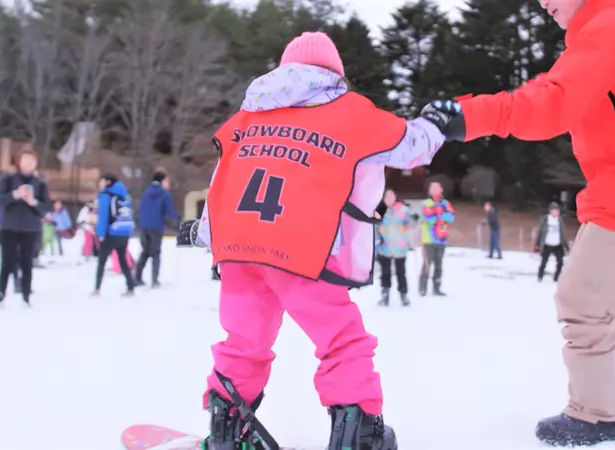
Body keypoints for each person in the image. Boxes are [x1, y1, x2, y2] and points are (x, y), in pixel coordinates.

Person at [424, 0, 615, 442]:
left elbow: (552, 102)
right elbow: (557, 90)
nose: (543, 3)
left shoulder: (611, 27)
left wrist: (470, 115)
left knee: (581, 302)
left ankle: (598, 412)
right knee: (599, 300)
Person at [175, 31, 453, 450]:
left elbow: (222, 186)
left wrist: (203, 234)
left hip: (239, 251)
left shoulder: (246, 119)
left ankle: (227, 433)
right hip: (303, 250)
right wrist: (437, 122)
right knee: (341, 340)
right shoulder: (350, 111)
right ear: (333, 73)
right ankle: (357, 436)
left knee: (244, 341)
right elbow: (412, 146)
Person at [0, 146, 52, 306]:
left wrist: (33, 202)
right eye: (25, 160)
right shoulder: (8, 179)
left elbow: (46, 207)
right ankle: (1, 294)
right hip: (9, 226)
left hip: (30, 228)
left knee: (27, 263)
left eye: (32, 161)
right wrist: (15, 194)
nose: (29, 163)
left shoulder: (40, 184)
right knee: (7, 262)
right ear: (19, 162)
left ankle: (26, 295)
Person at [135, 171, 180, 287]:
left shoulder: (146, 192)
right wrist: (179, 217)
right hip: (156, 227)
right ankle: (154, 280)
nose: (168, 183)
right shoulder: (164, 194)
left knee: (145, 252)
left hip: (144, 226)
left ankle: (137, 278)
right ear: (162, 181)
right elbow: (169, 212)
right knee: (156, 253)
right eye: (167, 181)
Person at [93, 174, 136, 296]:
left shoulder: (105, 195)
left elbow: (103, 217)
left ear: (108, 182)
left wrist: (100, 234)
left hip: (110, 233)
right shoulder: (125, 195)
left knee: (102, 261)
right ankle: (130, 287)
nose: (100, 185)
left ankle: (97, 289)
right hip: (123, 233)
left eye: (101, 182)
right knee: (123, 260)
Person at [376, 189, 414, 306]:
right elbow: (375, 225)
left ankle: (403, 295)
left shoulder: (403, 209)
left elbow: (414, 221)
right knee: (385, 273)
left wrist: (411, 221)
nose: (389, 198)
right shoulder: (381, 210)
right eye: (386, 196)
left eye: (391, 196)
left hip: (399, 248)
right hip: (384, 247)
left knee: (401, 272)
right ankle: (385, 295)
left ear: (395, 197)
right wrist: (377, 239)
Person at [418, 181, 454, 296]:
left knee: (439, 265)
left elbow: (451, 217)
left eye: (436, 187)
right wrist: (441, 214)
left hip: (442, 239)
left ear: (441, 189)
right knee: (427, 265)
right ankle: (422, 288)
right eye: (431, 187)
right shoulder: (426, 203)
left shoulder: (446, 203)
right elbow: (429, 218)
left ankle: (437, 287)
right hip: (429, 240)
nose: (434, 189)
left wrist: (438, 213)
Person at [535, 202, 568, 282]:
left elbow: (562, 233)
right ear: (550, 211)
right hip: (547, 244)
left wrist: (566, 245)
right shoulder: (546, 219)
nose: (556, 212)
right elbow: (540, 232)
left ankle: (556, 277)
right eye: (554, 210)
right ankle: (540, 276)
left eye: (557, 210)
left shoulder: (559, 220)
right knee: (544, 262)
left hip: (557, 244)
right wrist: (537, 244)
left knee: (560, 262)